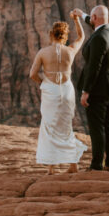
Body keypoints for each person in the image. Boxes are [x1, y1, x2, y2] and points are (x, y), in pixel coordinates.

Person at [28, 11, 88, 174]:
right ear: (65, 36)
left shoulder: (43, 52)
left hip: (50, 91)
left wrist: (44, 83)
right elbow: (81, 38)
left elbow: (32, 74)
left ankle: (51, 168)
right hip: (66, 90)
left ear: (51, 35)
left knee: (49, 126)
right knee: (66, 125)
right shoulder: (70, 51)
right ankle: (73, 165)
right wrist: (76, 20)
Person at [72, 5, 109, 172]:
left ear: (95, 18)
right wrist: (82, 14)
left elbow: (94, 67)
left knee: (96, 127)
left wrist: (86, 91)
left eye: (91, 18)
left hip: (97, 90)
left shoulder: (99, 38)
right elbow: (95, 23)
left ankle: (97, 165)